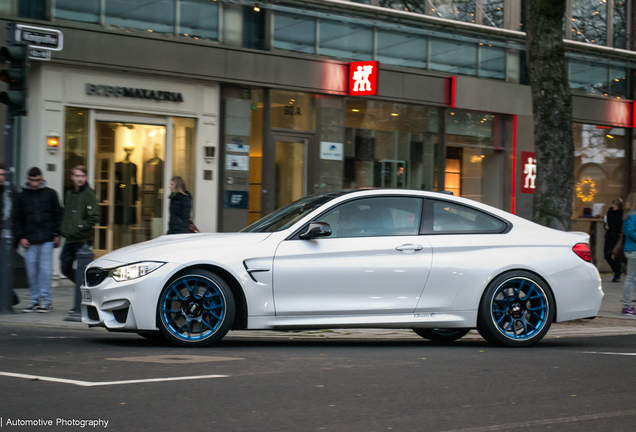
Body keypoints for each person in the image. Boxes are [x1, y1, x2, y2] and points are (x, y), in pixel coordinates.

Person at [13, 167, 62, 313]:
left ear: (41, 179)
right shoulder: (21, 197)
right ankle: (36, 300)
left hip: (45, 238)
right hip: (30, 239)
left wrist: (57, 234)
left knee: (45, 272)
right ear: (28, 179)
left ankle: (45, 301)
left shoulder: (50, 194)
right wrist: (21, 237)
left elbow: (57, 215)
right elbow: (17, 219)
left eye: (37, 180)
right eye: (33, 180)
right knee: (32, 272)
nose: (35, 183)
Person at [60, 166, 99, 287]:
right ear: (72, 177)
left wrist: (79, 226)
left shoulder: (89, 194)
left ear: (86, 177)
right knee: (65, 267)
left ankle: (84, 290)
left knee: (83, 268)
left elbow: (95, 217)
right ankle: (83, 286)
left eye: (82, 176)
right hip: (70, 238)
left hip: (83, 239)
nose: (79, 179)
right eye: (77, 176)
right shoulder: (69, 193)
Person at [622, 192, 636, 316]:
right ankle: (626, 307)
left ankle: (628, 306)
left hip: (630, 249)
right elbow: (630, 232)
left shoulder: (628, 215)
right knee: (631, 278)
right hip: (633, 250)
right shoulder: (633, 215)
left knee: (631, 278)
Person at [604, 198, 624, 282]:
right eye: (613, 204)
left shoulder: (622, 214)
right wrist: (605, 226)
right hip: (609, 236)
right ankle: (616, 271)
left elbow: (622, 224)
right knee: (607, 255)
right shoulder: (609, 212)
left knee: (617, 256)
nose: (613, 206)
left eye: (615, 204)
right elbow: (605, 222)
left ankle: (617, 275)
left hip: (617, 236)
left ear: (619, 205)